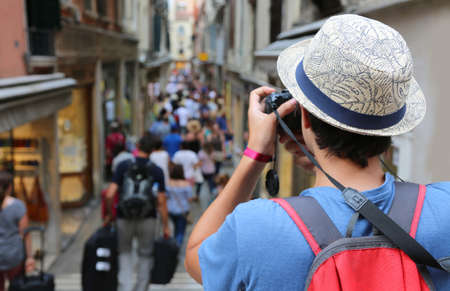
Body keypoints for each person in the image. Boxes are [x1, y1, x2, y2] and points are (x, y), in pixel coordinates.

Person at [184, 15, 450, 290]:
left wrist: (256, 153)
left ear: (306, 119)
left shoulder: (257, 229)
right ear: (392, 126)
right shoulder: (445, 209)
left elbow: (195, 255)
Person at [105, 135, 170, 291]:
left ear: (137, 146)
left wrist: (110, 215)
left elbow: (109, 194)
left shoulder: (122, 166)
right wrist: (166, 225)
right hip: (148, 218)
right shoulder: (157, 170)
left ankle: (125, 287)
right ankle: (141, 288)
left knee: (125, 253)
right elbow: (161, 202)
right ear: (152, 150)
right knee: (145, 254)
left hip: (123, 217)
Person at [0, 172, 35, 291]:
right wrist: (30, 256)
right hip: (13, 254)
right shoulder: (17, 206)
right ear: (10, 187)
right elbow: (25, 233)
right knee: (16, 286)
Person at [166, 164, 194, 246]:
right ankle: (177, 246)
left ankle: (174, 243)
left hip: (171, 209)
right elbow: (189, 198)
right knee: (181, 230)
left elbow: (166, 196)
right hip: (183, 210)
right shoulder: (186, 184)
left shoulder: (168, 183)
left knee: (175, 227)